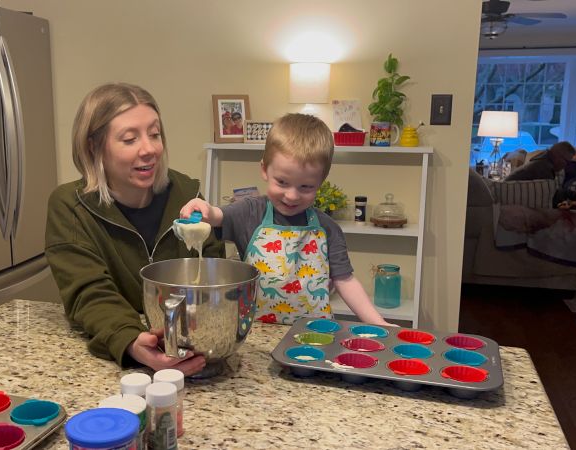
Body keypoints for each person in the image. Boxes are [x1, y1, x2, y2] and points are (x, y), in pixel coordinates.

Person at [45, 82, 224, 376]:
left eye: (154, 134)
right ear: (94, 146)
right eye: (130, 139)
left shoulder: (186, 195)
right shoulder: (70, 208)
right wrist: (130, 341)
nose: (149, 149)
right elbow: (89, 293)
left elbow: (214, 271)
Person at [180, 113, 392, 326]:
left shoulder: (328, 229)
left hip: (315, 336)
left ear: (321, 181)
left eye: (306, 187)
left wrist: (381, 324)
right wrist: (203, 209)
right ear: (264, 169)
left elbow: (345, 280)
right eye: (282, 182)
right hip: (258, 334)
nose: (292, 195)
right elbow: (217, 215)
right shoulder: (251, 212)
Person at [505, 141, 575, 181]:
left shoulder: (541, 161)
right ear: (557, 155)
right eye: (567, 161)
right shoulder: (544, 168)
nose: (566, 165)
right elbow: (550, 196)